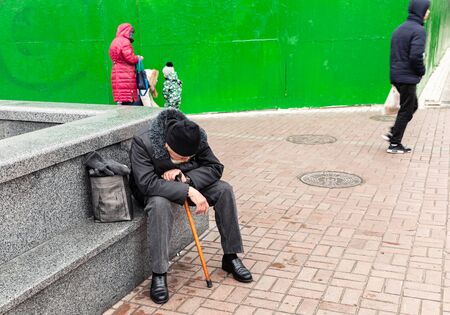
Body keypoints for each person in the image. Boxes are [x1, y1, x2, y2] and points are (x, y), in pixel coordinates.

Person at [129, 108, 252, 304]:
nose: (186, 160)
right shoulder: (143, 141)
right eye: (180, 157)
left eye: (189, 158)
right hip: (155, 191)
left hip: (187, 182)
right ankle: (159, 274)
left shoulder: (196, 136)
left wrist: (186, 177)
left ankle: (231, 256)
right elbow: (146, 183)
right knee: (159, 206)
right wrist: (188, 191)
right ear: (166, 144)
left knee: (224, 190)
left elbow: (214, 167)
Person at [383, 0, 431, 154]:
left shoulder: (399, 29)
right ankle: (394, 144)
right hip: (407, 77)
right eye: (427, 9)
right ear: (420, 11)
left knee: (412, 106)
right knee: (407, 110)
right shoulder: (418, 30)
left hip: (398, 75)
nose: (429, 12)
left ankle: (393, 133)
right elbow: (416, 56)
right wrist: (421, 70)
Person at [109, 23, 144, 105]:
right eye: (131, 32)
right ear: (126, 31)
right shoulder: (125, 42)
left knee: (121, 97)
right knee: (129, 98)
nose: (132, 34)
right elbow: (130, 58)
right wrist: (138, 58)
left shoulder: (114, 41)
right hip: (126, 73)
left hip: (117, 71)